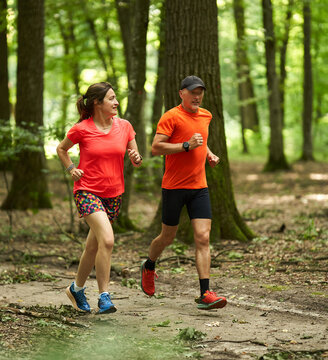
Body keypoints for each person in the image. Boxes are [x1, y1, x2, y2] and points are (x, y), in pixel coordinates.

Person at [140, 75, 227, 310]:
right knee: (167, 237)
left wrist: (208, 153)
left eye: (200, 92)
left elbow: (201, 139)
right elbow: (156, 147)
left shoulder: (206, 115)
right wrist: (185, 146)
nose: (197, 96)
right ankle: (149, 265)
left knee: (203, 237)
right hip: (174, 187)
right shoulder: (171, 116)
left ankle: (205, 293)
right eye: (192, 92)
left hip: (199, 187)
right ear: (182, 93)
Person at [57, 82, 142, 314]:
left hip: (113, 194)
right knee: (107, 240)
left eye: (116, 98)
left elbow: (136, 158)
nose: (116, 103)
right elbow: (61, 149)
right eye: (111, 98)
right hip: (87, 191)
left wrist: (135, 157)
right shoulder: (81, 129)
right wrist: (71, 169)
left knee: (93, 247)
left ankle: (76, 288)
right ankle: (104, 296)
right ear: (97, 102)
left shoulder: (124, 127)